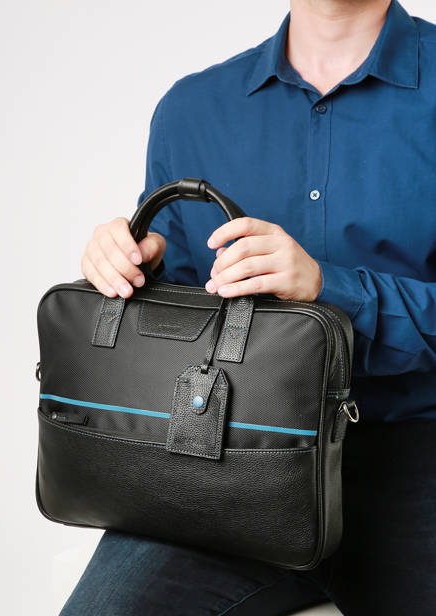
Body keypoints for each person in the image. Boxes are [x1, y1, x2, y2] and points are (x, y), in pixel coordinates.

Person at [61, 0, 436, 614]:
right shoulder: (192, 109)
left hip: (416, 452)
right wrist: (133, 273)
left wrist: (328, 287)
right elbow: (186, 320)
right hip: (229, 457)